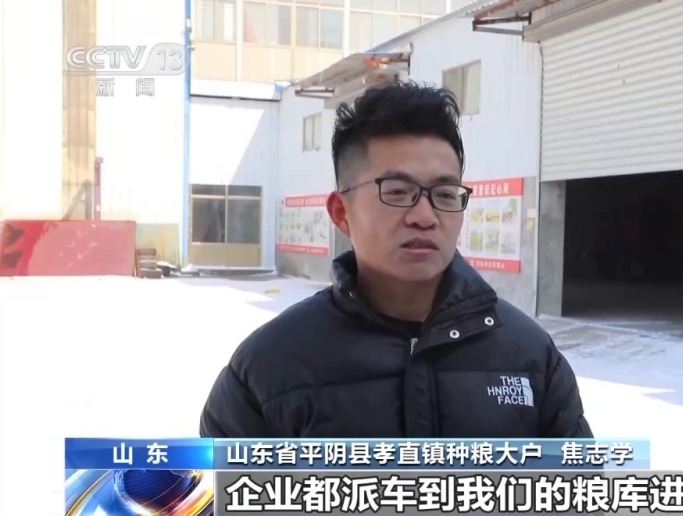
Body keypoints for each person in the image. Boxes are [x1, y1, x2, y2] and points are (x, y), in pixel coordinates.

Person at [199, 81, 592, 438]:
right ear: (341, 213)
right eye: (398, 192)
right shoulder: (269, 368)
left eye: (445, 194)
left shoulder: (530, 356)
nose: (424, 216)